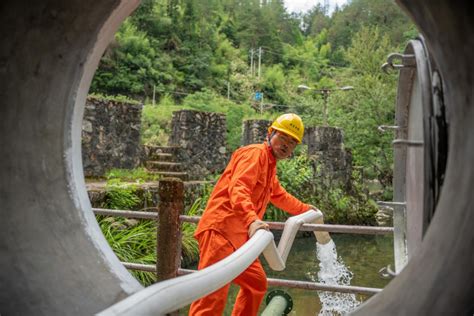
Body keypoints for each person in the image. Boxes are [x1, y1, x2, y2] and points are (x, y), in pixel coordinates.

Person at [189, 113, 320, 316]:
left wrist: (305, 210)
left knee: (256, 284)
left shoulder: (269, 165)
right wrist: (252, 220)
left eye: (292, 142)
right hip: (220, 231)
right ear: (270, 133)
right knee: (211, 297)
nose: (286, 144)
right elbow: (239, 188)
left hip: (240, 239)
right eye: (283, 137)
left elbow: (278, 195)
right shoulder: (255, 154)